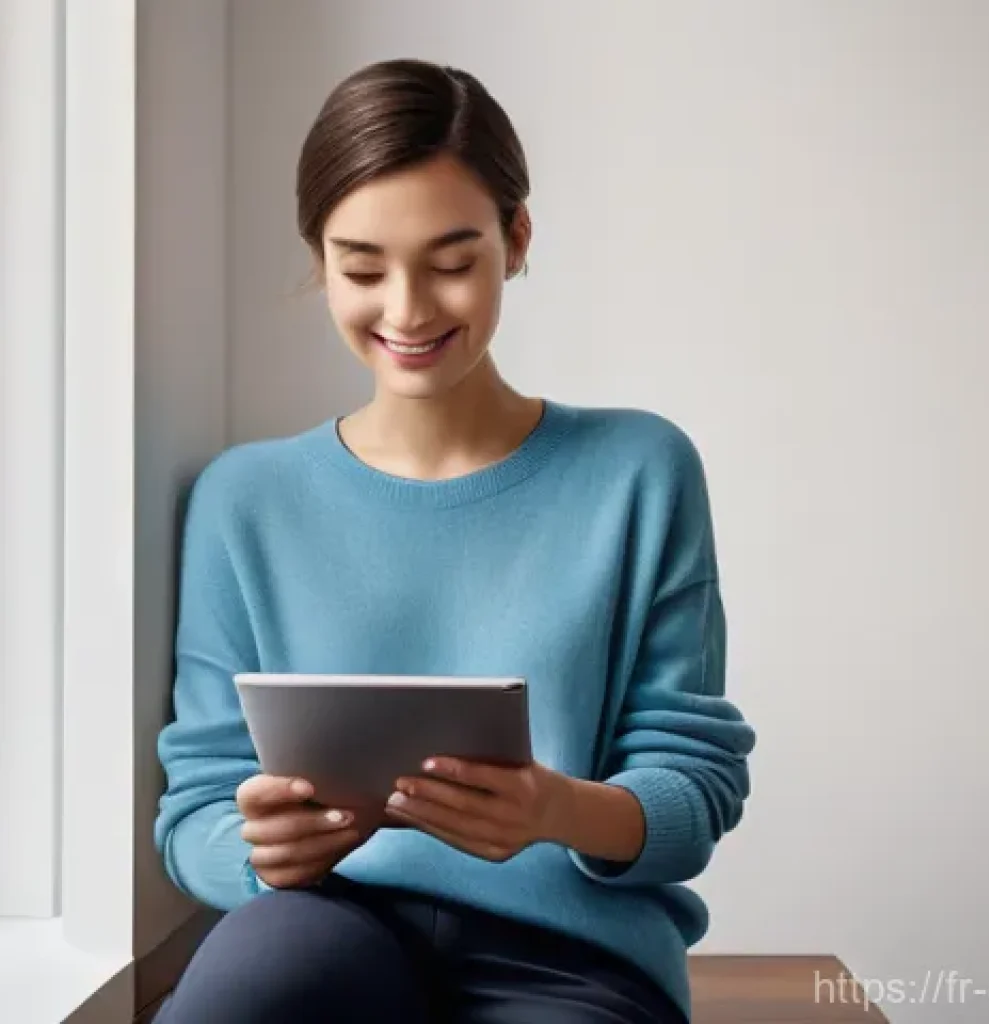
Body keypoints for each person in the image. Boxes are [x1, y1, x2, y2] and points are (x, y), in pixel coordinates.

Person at [152, 58, 756, 1024]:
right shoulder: (244, 500)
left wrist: (554, 812)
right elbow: (195, 813)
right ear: (319, 258)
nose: (407, 310)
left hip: (571, 954)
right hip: (320, 926)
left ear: (516, 240)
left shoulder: (639, 470)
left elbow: (692, 788)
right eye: (360, 267)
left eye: (450, 260)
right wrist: (258, 852)